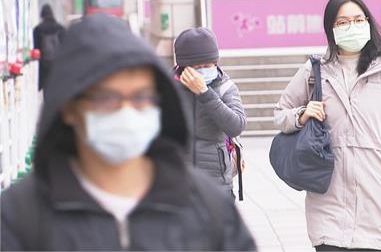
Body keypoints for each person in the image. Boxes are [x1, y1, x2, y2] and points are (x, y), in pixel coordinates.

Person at [1, 14, 256, 251]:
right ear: (69, 107)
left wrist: (206, 94)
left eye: (141, 97)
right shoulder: (21, 216)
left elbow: (235, 124)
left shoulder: (208, 206)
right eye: (107, 98)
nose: (127, 113)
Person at [273, 0, 381, 251]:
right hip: (328, 197)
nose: (351, 26)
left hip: (375, 196)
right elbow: (280, 114)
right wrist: (302, 114)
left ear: (368, 22)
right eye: (342, 22)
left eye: (357, 19)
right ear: (331, 29)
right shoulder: (314, 72)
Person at [173, 28, 247, 199]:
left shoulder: (224, 87)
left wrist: (205, 93)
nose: (203, 71)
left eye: (208, 65)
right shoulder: (166, 88)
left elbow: (236, 126)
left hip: (216, 183)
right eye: (196, 67)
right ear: (182, 67)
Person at [33, 4, 66, 90]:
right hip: (58, 64)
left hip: (44, 65)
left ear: (42, 15)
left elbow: (36, 49)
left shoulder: (37, 30)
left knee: (47, 88)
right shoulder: (61, 29)